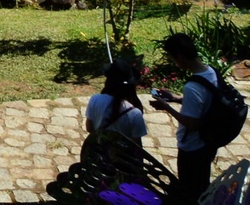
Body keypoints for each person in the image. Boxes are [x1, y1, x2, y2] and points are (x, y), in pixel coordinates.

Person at [152, 33, 222, 205]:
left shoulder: (193, 87)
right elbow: (207, 101)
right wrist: (176, 98)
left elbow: (192, 122)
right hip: (208, 140)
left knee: (189, 188)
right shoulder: (211, 72)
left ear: (180, 57)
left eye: (172, 58)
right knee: (201, 181)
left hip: (192, 146)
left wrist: (166, 107)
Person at [83, 60, 148, 179]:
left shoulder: (95, 99)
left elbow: (89, 128)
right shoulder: (134, 114)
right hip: (122, 166)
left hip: (99, 158)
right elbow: (136, 148)